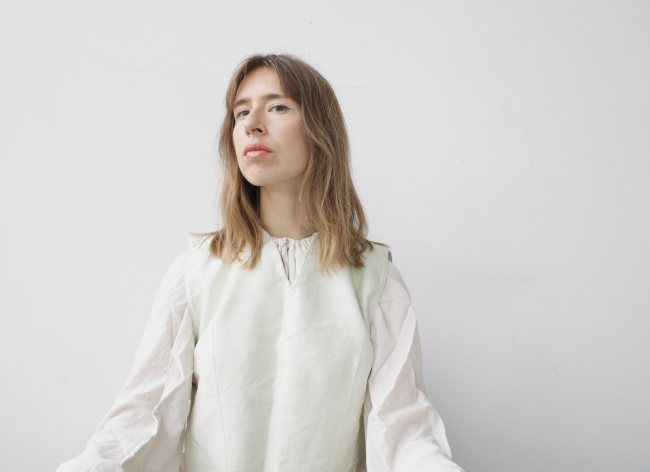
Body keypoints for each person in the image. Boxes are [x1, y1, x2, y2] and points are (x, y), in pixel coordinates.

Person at [57, 54, 465, 472]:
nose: (252, 123)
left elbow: (402, 428)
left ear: (320, 129)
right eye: (240, 111)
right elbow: (145, 415)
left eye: (278, 107)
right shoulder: (195, 272)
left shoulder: (376, 281)